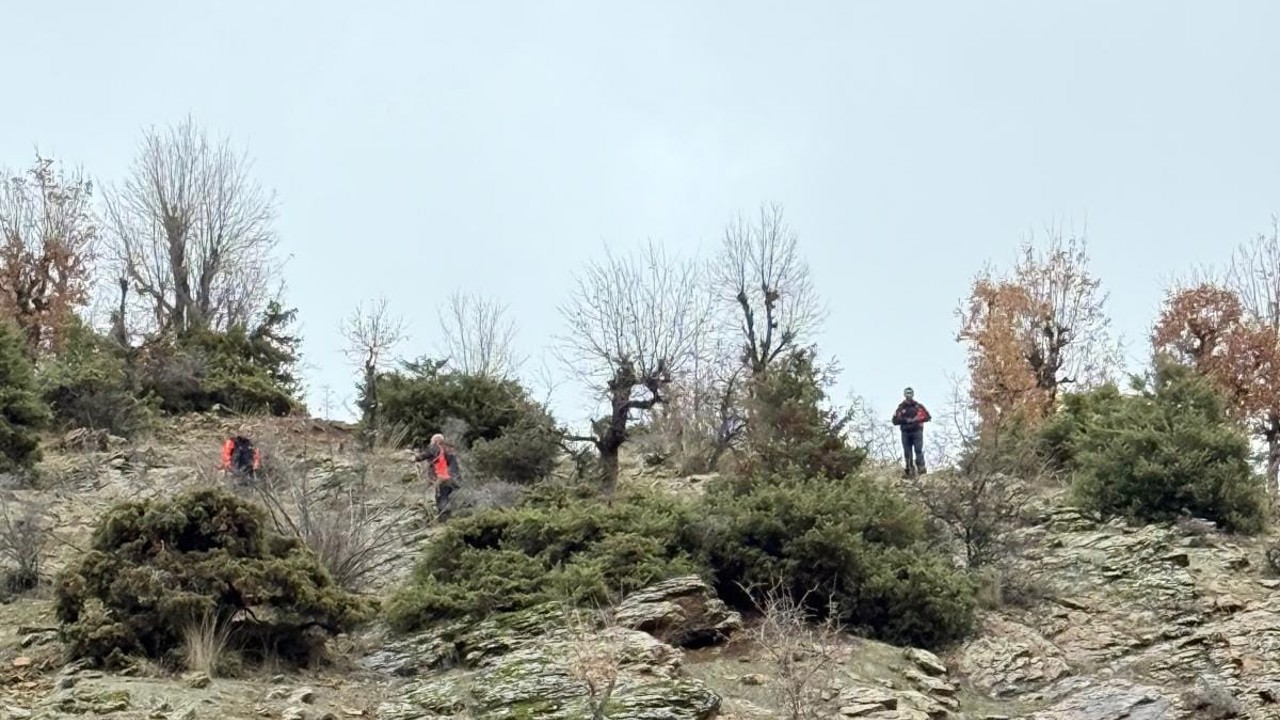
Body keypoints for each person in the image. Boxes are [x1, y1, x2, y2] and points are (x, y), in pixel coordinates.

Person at [413, 433, 461, 520]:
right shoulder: (449, 450)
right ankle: (450, 519)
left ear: (436, 441)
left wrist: (413, 455)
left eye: (431, 441)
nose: (430, 443)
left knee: (441, 499)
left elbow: (420, 457)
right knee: (446, 497)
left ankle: (443, 521)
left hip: (441, 478)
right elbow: (455, 467)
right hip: (451, 480)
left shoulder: (435, 447)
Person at [891, 387, 931, 477]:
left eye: (910, 393)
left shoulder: (918, 406)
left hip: (917, 431)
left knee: (918, 450)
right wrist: (906, 420)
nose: (909, 395)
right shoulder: (901, 407)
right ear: (904, 394)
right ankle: (909, 470)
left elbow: (928, 417)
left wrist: (916, 419)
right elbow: (894, 420)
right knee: (907, 452)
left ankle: (921, 470)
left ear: (913, 394)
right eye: (907, 393)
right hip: (905, 432)